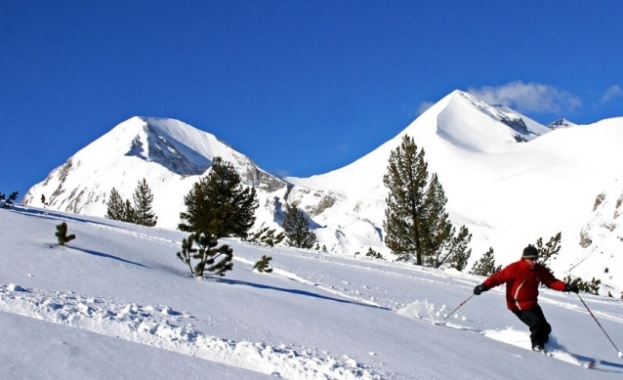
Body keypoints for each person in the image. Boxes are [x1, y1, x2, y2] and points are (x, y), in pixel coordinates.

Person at [473, 244, 579, 352]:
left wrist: (566, 287)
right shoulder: (514, 268)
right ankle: (537, 347)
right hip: (517, 304)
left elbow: (551, 282)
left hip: (532, 303)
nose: (534, 262)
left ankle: (548, 346)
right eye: (531, 259)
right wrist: (484, 286)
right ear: (524, 258)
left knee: (545, 328)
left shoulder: (539, 270)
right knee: (536, 323)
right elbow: (497, 278)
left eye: (536, 259)